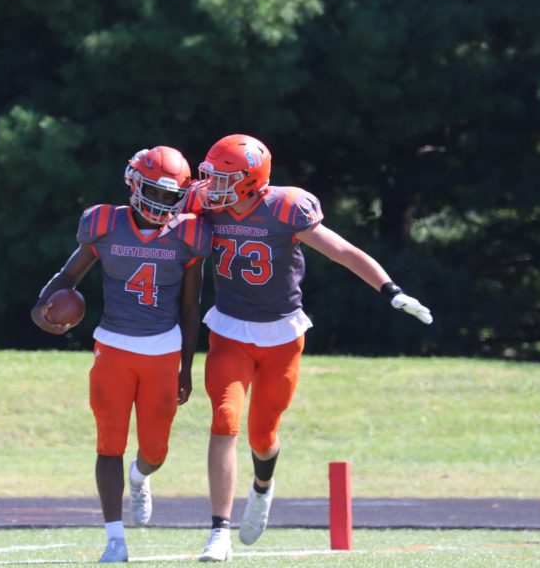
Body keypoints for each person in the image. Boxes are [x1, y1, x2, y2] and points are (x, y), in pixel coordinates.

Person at [184, 134, 433, 562]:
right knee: (224, 421)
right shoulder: (205, 204)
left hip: (281, 334)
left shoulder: (286, 207)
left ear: (250, 180)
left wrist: (389, 289)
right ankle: (218, 530)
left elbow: (343, 251)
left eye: (223, 177)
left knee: (263, 436)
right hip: (229, 331)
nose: (212, 186)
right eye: (211, 176)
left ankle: (263, 487)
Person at [31, 146, 211, 563]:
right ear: (134, 183)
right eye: (154, 191)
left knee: (155, 451)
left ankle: (140, 475)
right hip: (112, 346)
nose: (161, 202)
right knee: (108, 443)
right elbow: (67, 276)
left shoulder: (189, 234)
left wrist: (187, 367)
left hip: (163, 351)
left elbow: (190, 307)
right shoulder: (105, 224)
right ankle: (115, 540)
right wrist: (41, 309)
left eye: (171, 196)